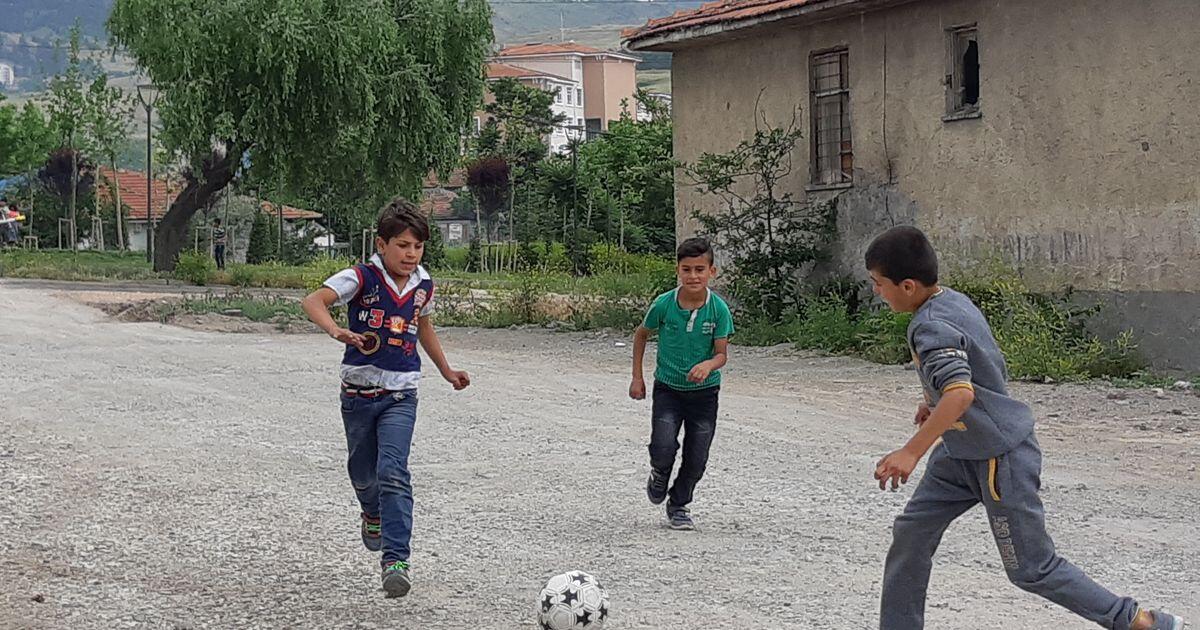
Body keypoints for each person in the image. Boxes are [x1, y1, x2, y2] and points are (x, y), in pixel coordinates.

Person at [867, 226, 1183, 630]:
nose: (876, 292)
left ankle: (1141, 621)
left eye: (878, 284)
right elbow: (984, 368)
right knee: (912, 534)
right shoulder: (953, 302)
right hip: (959, 452)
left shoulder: (932, 326)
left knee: (1032, 568)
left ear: (907, 286)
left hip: (1000, 459)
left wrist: (911, 451)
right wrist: (934, 402)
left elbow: (961, 393)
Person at [301, 197, 470, 598]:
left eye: (418, 246)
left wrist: (447, 371)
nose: (411, 254)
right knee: (362, 472)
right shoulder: (361, 277)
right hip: (359, 394)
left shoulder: (423, 285)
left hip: (401, 394)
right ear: (382, 244)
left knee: (393, 471)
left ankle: (396, 559)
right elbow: (313, 301)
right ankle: (371, 512)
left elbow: (423, 328)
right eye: (403, 245)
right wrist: (336, 330)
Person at [629, 237, 733, 531]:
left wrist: (708, 365)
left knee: (697, 456)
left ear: (712, 272)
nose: (693, 276)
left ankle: (679, 504)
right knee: (663, 444)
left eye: (700, 269)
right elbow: (641, 335)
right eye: (687, 269)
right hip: (668, 389)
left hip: (705, 394)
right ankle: (659, 473)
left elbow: (721, 354)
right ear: (678, 270)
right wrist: (637, 377)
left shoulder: (718, 311)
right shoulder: (663, 304)